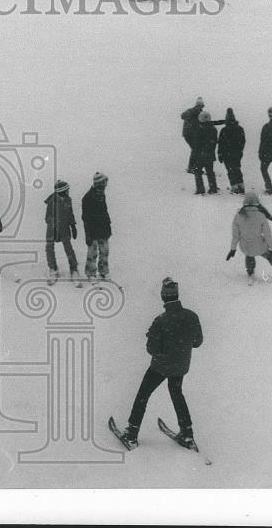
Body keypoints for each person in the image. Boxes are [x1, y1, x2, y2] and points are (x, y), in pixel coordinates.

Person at [111, 277, 203, 451]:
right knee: (176, 393)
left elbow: (152, 349)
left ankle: (131, 433)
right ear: (177, 295)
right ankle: (187, 433)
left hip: (161, 367)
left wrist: (154, 337)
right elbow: (197, 342)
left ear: (163, 297)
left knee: (143, 395)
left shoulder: (160, 321)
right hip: (181, 366)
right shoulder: (191, 316)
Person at [226, 191, 272, 284]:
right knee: (271, 257)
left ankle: (250, 273)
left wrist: (232, 249)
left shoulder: (238, 216)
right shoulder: (261, 216)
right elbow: (267, 235)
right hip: (259, 247)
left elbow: (235, 236)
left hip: (245, 246)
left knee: (249, 253)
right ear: (257, 202)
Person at [44, 179, 79, 282]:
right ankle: (53, 269)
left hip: (64, 228)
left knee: (68, 248)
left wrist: (73, 226)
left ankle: (74, 269)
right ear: (62, 191)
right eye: (67, 190)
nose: (68, 192)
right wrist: (53, 225)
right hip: (52, 229)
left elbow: (70, 213)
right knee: (49, 247)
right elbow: (47, 217)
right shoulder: (52, 201)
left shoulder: (68, 199)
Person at [82, 172, 112, 281]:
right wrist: (88, 235)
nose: (106, 184)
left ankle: (103, 271)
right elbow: (85, 218)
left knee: (105, 251)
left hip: (103, 229)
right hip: (93, 230)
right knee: (92, 252)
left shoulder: (102, 195)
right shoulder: (87, 197)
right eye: (105, 182)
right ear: (100, 183)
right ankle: (91, 273)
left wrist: (108, 227)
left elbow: (105, 212)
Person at [217, 108, 246, 194]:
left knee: (230, 171)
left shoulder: (224, 130)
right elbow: (243, 141)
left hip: (227, 154)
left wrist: (220, 154)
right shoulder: (240, 129)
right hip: (237, 153)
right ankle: (241, 186)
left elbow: (221, 143)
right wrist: (240, 150)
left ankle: (234, 187)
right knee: (237, 169)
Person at [191, 111, 219, 195]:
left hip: (201, 154)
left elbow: (196, 144)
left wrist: (194, 156)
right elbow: (214, 142)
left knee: (197, 171)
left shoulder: (199, 129)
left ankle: (200, 189)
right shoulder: (213, 129)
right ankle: (213, 188)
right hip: (210, 154)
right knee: (210, 171)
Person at [180, 97, 205, 173]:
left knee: (196, 149)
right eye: (201, 106)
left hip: (189, 133)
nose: (202, 108)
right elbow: (183, 116)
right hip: (190, 134)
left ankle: (195, 167)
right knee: (196, 149)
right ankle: (193, 168)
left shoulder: (195, 112)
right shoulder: (193, 111)